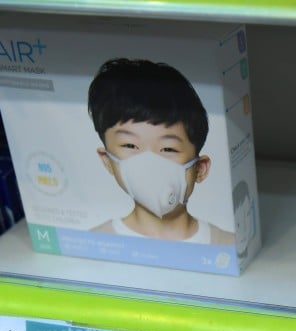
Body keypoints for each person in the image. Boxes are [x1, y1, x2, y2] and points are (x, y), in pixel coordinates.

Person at [87, 58, 233, 245]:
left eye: (168, 148)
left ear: (200, 169)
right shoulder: (95, 243)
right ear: (107, 160)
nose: (149, 163)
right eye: (130, 146)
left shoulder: (227, 245)